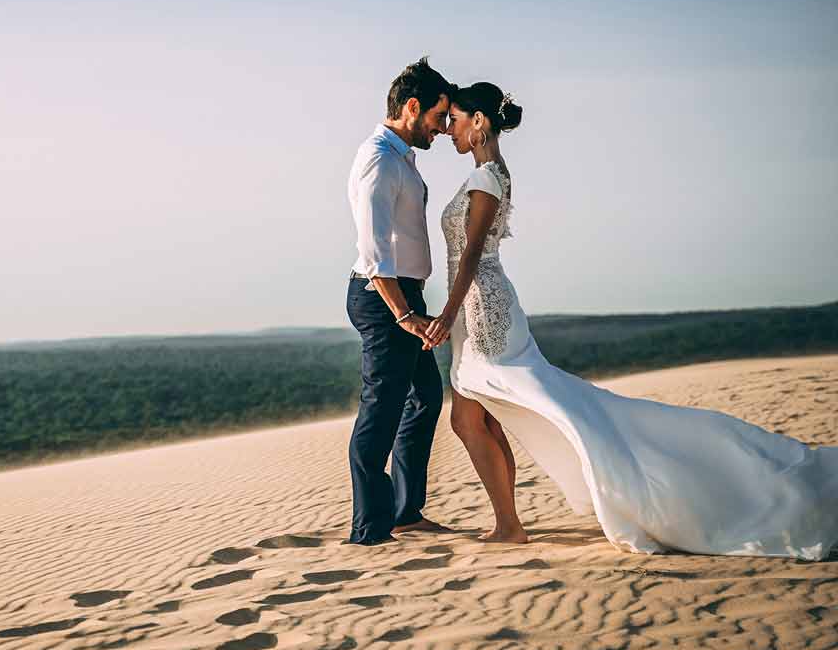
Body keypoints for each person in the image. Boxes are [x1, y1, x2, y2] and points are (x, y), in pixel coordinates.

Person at [423, 81, 838, 559]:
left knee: (498, 412)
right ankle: (508, 522)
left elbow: (472, 255)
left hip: (481, 313)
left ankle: (512, 523)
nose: (449, 128)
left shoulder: (486, 179)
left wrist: (448, 313)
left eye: (454, 118)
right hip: (475, 309)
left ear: (479, 121)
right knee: (476, 415)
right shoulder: (490, 173)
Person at [344, 57, 455, 546]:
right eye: (439, 116)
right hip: (383, 297)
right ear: (413, 107)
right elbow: (374, 251)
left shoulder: (402, 156)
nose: (443, 128)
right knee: (382, 409)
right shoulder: (380, 159)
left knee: (425, 398)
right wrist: (404, 313)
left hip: (405, 293)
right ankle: (370, 526)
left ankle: (406, 511)